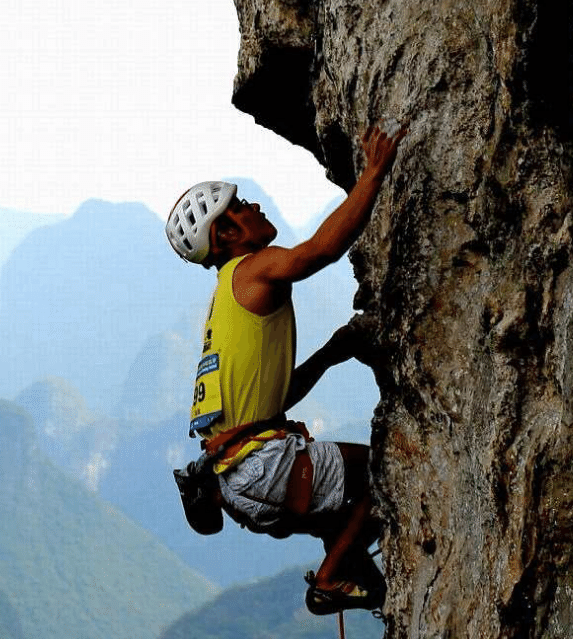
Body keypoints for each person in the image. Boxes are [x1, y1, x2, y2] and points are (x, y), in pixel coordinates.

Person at [168, 122, 405, 615]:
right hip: (266, 467)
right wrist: (373, 175)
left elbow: (272, 399)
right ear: (227, 234)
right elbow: (319, 252)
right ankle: (329, 580)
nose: (254, 206)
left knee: (345, 514)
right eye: (240, 206)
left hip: (239, 483)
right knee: (388, 471)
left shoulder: (225, 301)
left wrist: (331, 353)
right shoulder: (253, 268)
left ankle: (349, 571)